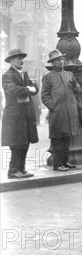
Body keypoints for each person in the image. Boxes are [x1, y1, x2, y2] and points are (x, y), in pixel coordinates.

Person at [41, 49, 82, 171]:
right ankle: (57, 164)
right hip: (58, 113)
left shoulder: (69, 74)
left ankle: (65, 162)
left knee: (67, 138)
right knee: (58, 140)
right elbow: (44, 96)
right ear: (52, 63)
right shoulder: (48, 76)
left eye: (61, 59)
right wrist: (54, 106)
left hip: (70, 112)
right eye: (58, 60)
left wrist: (75, 86)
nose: (61, 61)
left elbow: (78, 89)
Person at [1, 49, 39, 179]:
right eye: (18, 58)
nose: (21, 60)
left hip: (25, 114)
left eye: (21, 58)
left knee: (25, 142)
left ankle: (22, 169)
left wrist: (30, 88)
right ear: (11, 61)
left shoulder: (24, 74)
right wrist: (29, 89)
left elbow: (35, 87)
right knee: (16, 144)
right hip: (14, 116)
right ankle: (13, 171)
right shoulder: (7, 75)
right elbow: (13, 91)